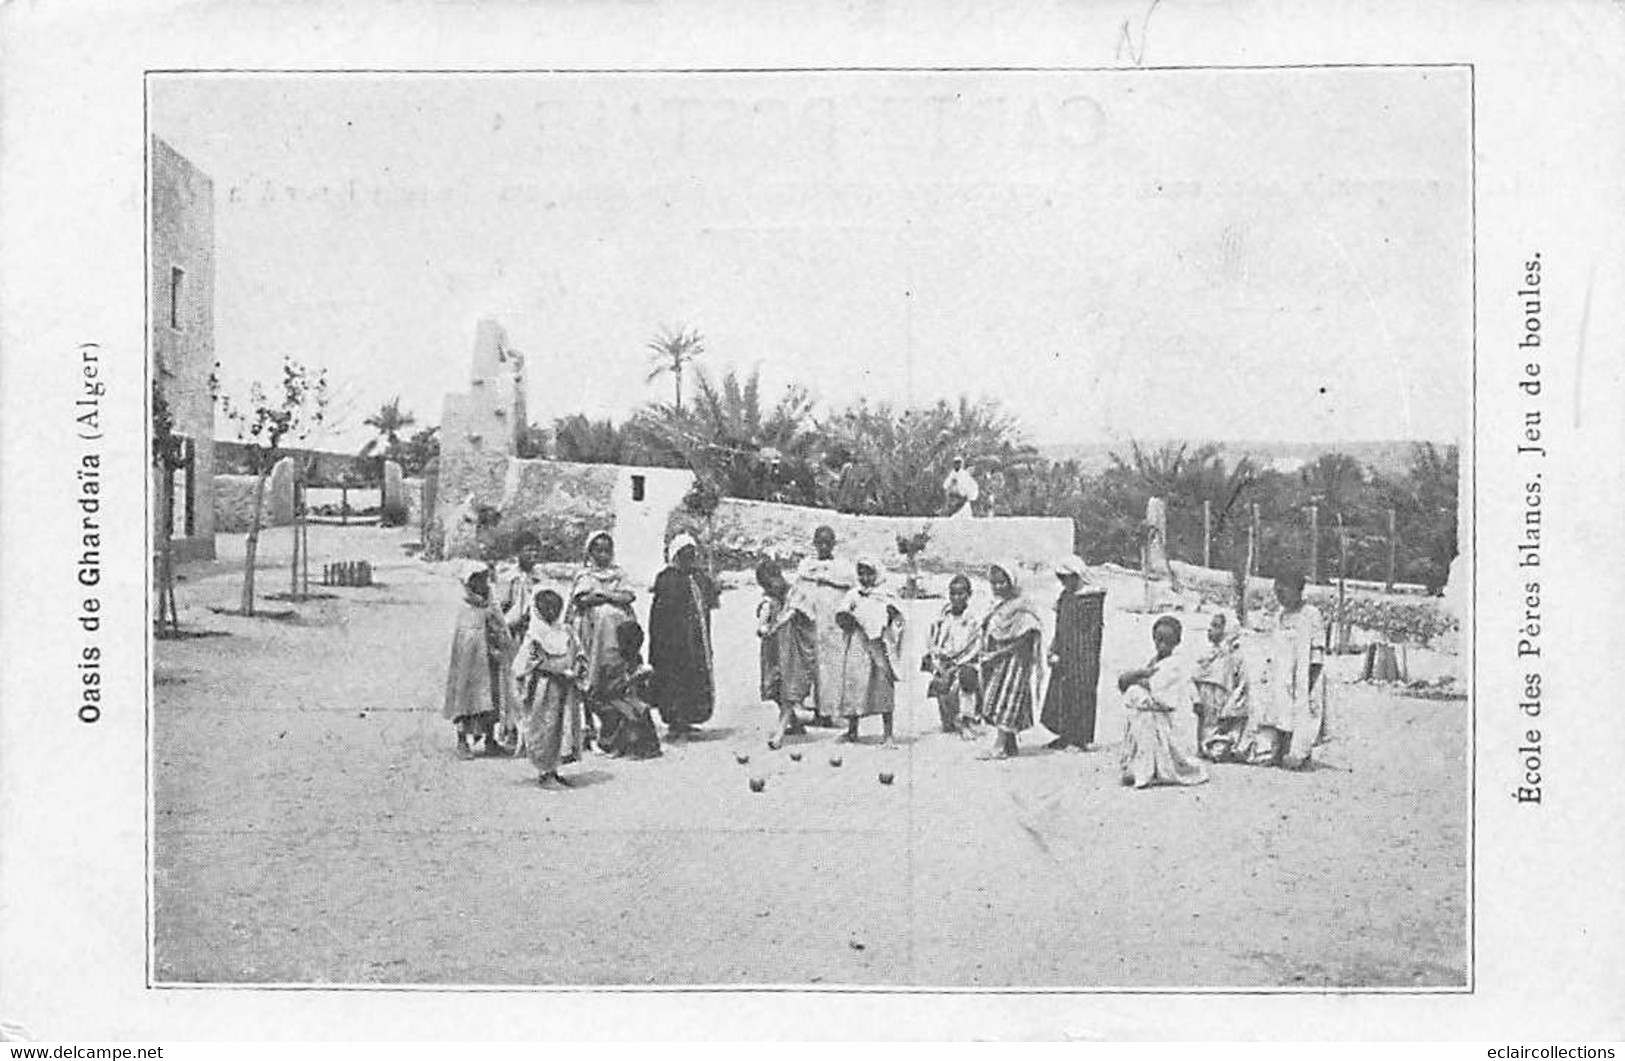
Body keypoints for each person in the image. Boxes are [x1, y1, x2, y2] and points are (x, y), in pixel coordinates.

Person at [1236, 567, 1327, 769]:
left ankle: (1301, 753)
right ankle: (1280, 750)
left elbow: (1316, 651)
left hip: (1303, 675)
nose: (1281, 598)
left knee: (1302, 713)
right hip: (1281, 675)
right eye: (1277, 593)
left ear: (1298, 590)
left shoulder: (1311, 615)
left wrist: (1310, 679)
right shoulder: (1280, 616)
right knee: (1280, 712)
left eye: (1284, 592)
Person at [1117, 616, 1210, 789]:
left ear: (1176, 642)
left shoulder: (1175, 664)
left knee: (1143, 710)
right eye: (1159, 640)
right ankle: (1141, 768)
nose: (1162, 645)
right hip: (1149, 712)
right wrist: (1140, 675)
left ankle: (1150, 771)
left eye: (1168, 641)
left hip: (1166, 718)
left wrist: (1139, 679)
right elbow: (1123, 681)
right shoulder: (1153, 660)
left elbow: (1158, 692)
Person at [566, 531, 637, 751]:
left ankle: (615, 729)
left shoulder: (618, 573)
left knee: (616, 677)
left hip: (617, 635)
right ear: (590, 552)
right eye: (598, 550)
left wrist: (604, 596)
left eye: (607, 549)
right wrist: (610, 596)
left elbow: (628, 596)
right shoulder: (585, 575)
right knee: (590, 677)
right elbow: (583, 598)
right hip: (591, 633)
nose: (603, 554)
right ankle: (589, 728)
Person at [648, 533, 718, 739]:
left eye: (692, 555)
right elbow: (661, 614)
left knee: (693, 676)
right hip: (671, 641)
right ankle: (674, 719)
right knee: (673, 677)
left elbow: (710, 600)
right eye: (684, 555)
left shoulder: (698, 577)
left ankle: (688, 718)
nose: (689, 560)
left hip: (695, 639)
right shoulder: (667, 578)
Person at [513, 589, 585, 787]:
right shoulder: (535, 635)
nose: (552, 612)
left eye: (556, 608)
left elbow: (578, 652)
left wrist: (577, 667)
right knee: (546, 727)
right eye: (547, 608)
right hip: (544, 689)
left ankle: (554, 769)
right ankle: (545, 772)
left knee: (563, 726)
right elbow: (527, 663)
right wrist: (554, 670)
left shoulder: (566, 631)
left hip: (565, 688)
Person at [443, 564, 516, 759]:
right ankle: (462, 741)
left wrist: (501, 642)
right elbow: (465, 638)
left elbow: (500, 624)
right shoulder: (465, 606)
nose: (483, 584)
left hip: (491, 658)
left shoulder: (491, 602)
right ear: (469, 582)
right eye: (477, 579)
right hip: (471, 664)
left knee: (492, 697)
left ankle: (490, 740)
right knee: (466, 697)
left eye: (485, 578)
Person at [976, 561, 1046, 760]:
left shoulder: (1022, 606)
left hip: (1015, 661)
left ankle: (999, 746)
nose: (997, 587)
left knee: (1007, 699)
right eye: (994, 583)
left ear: (1012, 582)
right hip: (998, 661)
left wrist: (998, 654)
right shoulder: (999, 605)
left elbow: (1026, 636)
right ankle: (1010, 743)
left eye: (1002, 583)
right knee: (997, 696)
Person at [834, 557, 904, 747]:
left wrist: (890, 618)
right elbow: (841, 616)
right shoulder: (853, 595)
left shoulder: (886, 594)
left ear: (877, 573)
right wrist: (849, 618)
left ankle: (888, 734)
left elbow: (899, 619)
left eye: (869, 573)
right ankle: (852, 730)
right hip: (858, 643)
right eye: (861, 573)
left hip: (880, 645)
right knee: (854, 683)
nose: (865, 577)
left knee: (883, 684)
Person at [1040, 555, 1106, 752]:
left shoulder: (1090, 599)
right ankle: (1065, 734)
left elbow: (1090, 634)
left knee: (1081, 694)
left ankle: (1080, 738)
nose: (1064, 582)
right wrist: (1054, 647)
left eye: (1067, 578)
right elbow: (1061, 626)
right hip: (1065, 652)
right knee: (1062, 694)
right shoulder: (1065, 597)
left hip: (1083, 656)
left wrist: (1076, 655)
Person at [794, 525, 855, 727]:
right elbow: (799, 591)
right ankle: (817, 711)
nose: (823, 546)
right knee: (813, 667)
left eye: (827, 542)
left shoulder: (843, 566)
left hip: (833, 626)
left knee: (833, 669)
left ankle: (832, 712)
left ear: (833, 544)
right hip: (811, 625)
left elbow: (849, 588)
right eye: (819, 542)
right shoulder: (806, 565)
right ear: (814, 543)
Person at [755, 559, 816, 750]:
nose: (769, 588)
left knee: (788, 688)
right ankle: (796, 724)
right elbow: (763, 620)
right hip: (773, 648)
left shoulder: (794, 593)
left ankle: (780, 733)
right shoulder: (769, 597)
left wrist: (775, 626)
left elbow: (791, 613)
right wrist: (763, 627)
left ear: (778, 577)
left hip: (791, 648)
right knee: (773, 686)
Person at [924, 573, 983, 737]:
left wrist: (958, 661)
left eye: (961, 593)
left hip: (965, 661)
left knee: (966, 678)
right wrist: (936, 656)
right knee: (940, 681)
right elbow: (933, 640)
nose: (956, 598)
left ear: (968, 595)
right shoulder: (943, 618)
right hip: (944, 661)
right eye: (953, 594)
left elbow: (975, 645)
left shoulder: (973, 620)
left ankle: (966, 721)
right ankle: (949, 718)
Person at [594, 621, 663, 760]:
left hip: (625, 696)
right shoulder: (613, 659)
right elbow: (609, 689)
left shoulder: (635, 657)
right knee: (631, 711)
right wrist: (631, 680)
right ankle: (622, 746)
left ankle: (643, 747)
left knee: (641, 708)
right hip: (608, 698)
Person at [1193, 612, 1249, 761]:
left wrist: (1231, 706)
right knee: (1205, 727)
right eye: (1211, 625)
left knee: (1219, 734)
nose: (1209, 629)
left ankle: (1221, 746)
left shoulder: (1235, 655)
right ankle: (1205, 745)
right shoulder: (1208, 653)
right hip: (1206, 699)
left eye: (1216, 626)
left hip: (1223, 701)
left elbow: (1241, 684)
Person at [501, 531, 543, 641]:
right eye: (529, 550)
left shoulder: (542, 578)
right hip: (512, 633)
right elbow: (500, 609)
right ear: (518, 553)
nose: (533, 554)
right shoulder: (508, 578)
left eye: (536, 550)